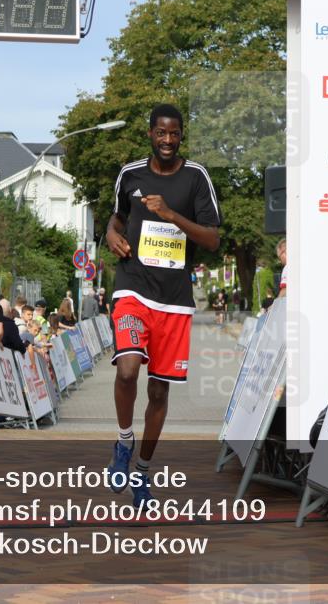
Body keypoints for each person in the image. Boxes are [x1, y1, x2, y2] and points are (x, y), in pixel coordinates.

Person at [105, 103, 221, 506]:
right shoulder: (130, 174)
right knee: (127, 370)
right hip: (133, 287)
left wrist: (171, 214)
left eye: (174, 134)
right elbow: (116, 219)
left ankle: (142, 472)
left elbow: (211, 239)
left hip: (173, 300)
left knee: (158, 394)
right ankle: (123, 442)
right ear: (150, 133)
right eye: (161, 133)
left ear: (181, 135)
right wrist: (109, 236)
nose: (167, 140)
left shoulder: (196, 178)